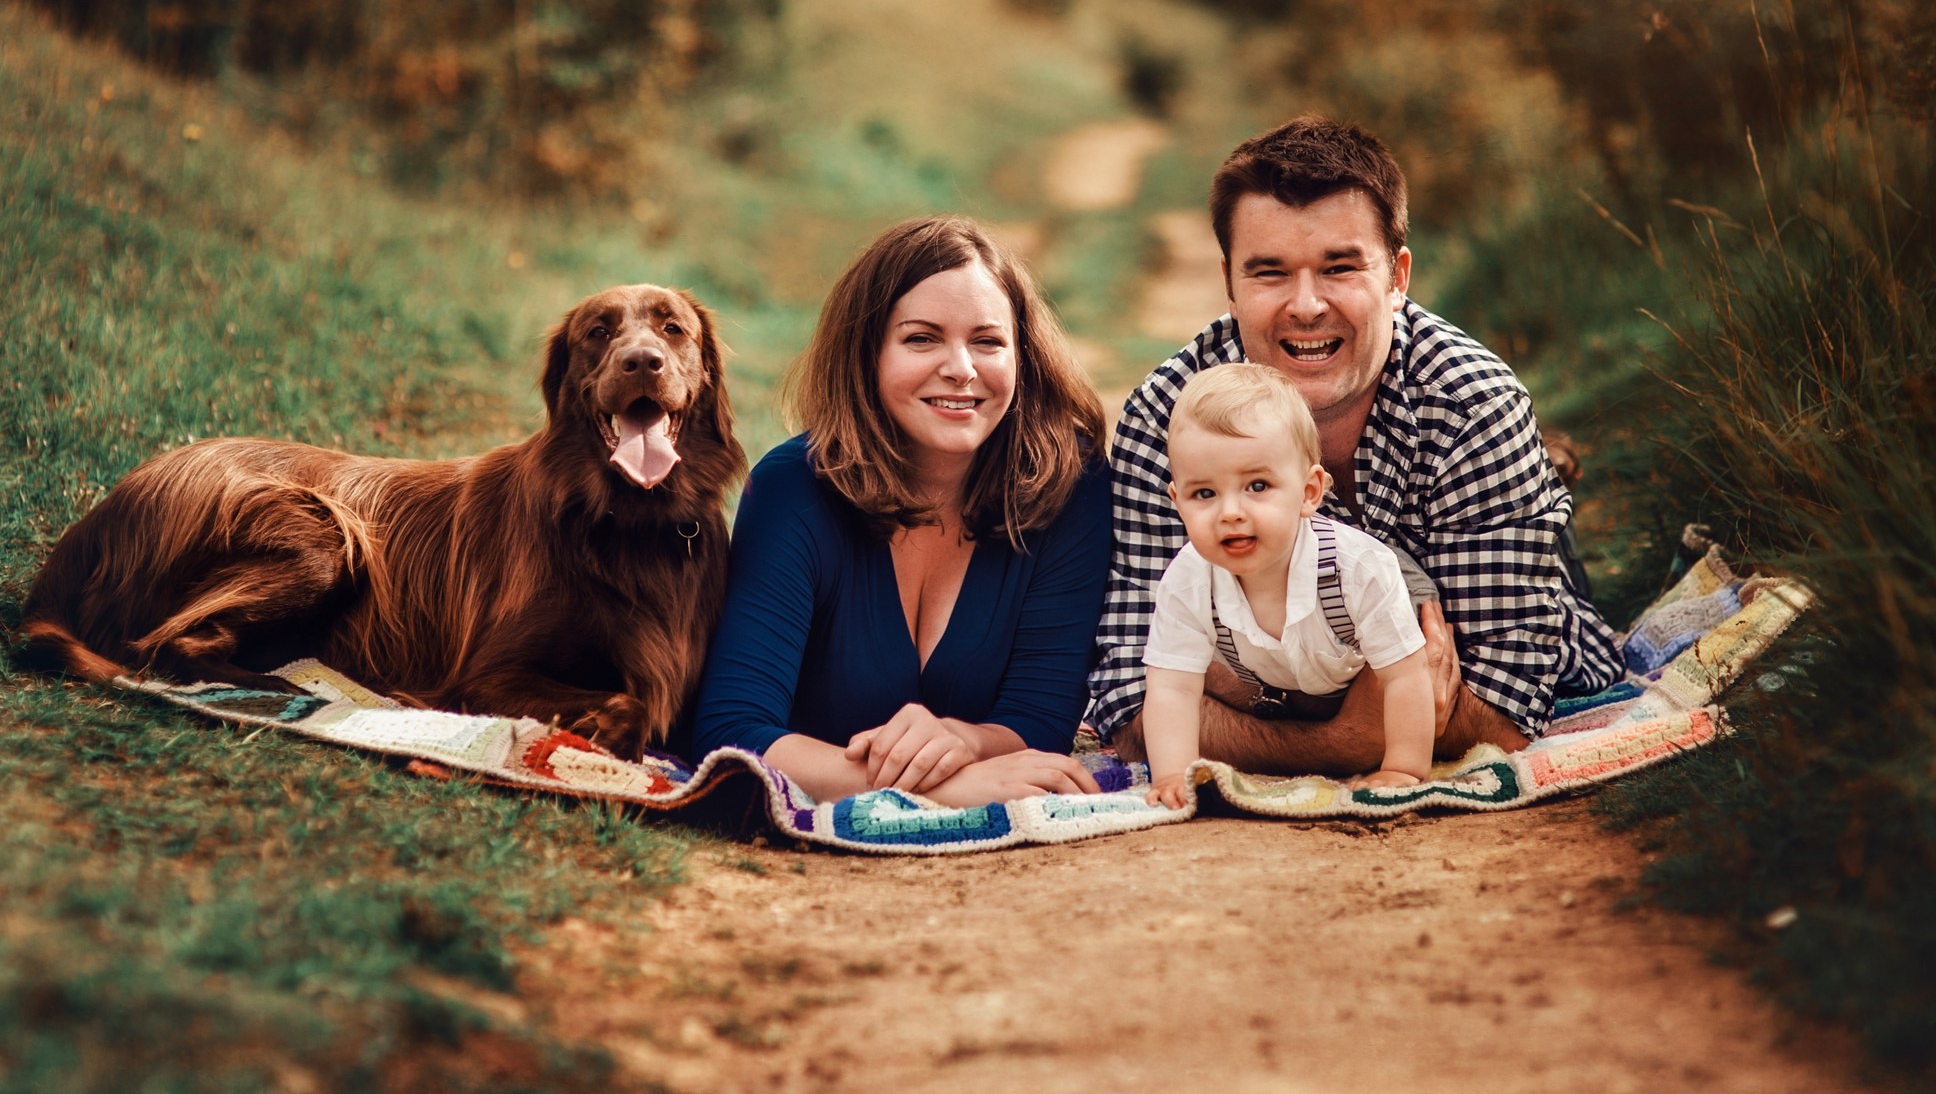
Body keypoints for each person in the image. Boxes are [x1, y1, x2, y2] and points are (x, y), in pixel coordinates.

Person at [1090, 115, 1625, 772]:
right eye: (1270, 273)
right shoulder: (1167, 416)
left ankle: (1538, 484)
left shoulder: (1472, 406)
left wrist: (1227, 698)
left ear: (1397, 277)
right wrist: (1350, 735)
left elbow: (1508, 710)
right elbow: (1130, 706)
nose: (1306, 306)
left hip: (1469, 520)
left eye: (1339, 267)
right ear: (1229, 284)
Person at [692, 215, 1112, 806]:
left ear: (1023, 355)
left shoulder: (1070, 482)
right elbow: (733, 730)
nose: (961, 368)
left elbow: (1039, 720)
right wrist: (949, 787)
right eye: (921, 339)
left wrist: (962, 739)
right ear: (866, 354)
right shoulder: (794, 489)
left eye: (988, 341)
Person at [1142, 364, 1431, 808]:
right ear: (1177, 502)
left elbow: (1405, 675)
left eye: (1257, 485)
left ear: (1309, 492)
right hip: (1292, 673)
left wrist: (1404, 767)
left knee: (1417, 648)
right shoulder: (1188, 580)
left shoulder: (1361, 570)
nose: (1230, 512)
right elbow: (1172, 688)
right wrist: (1172, 774)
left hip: (1382, 607)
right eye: (1205, 494)